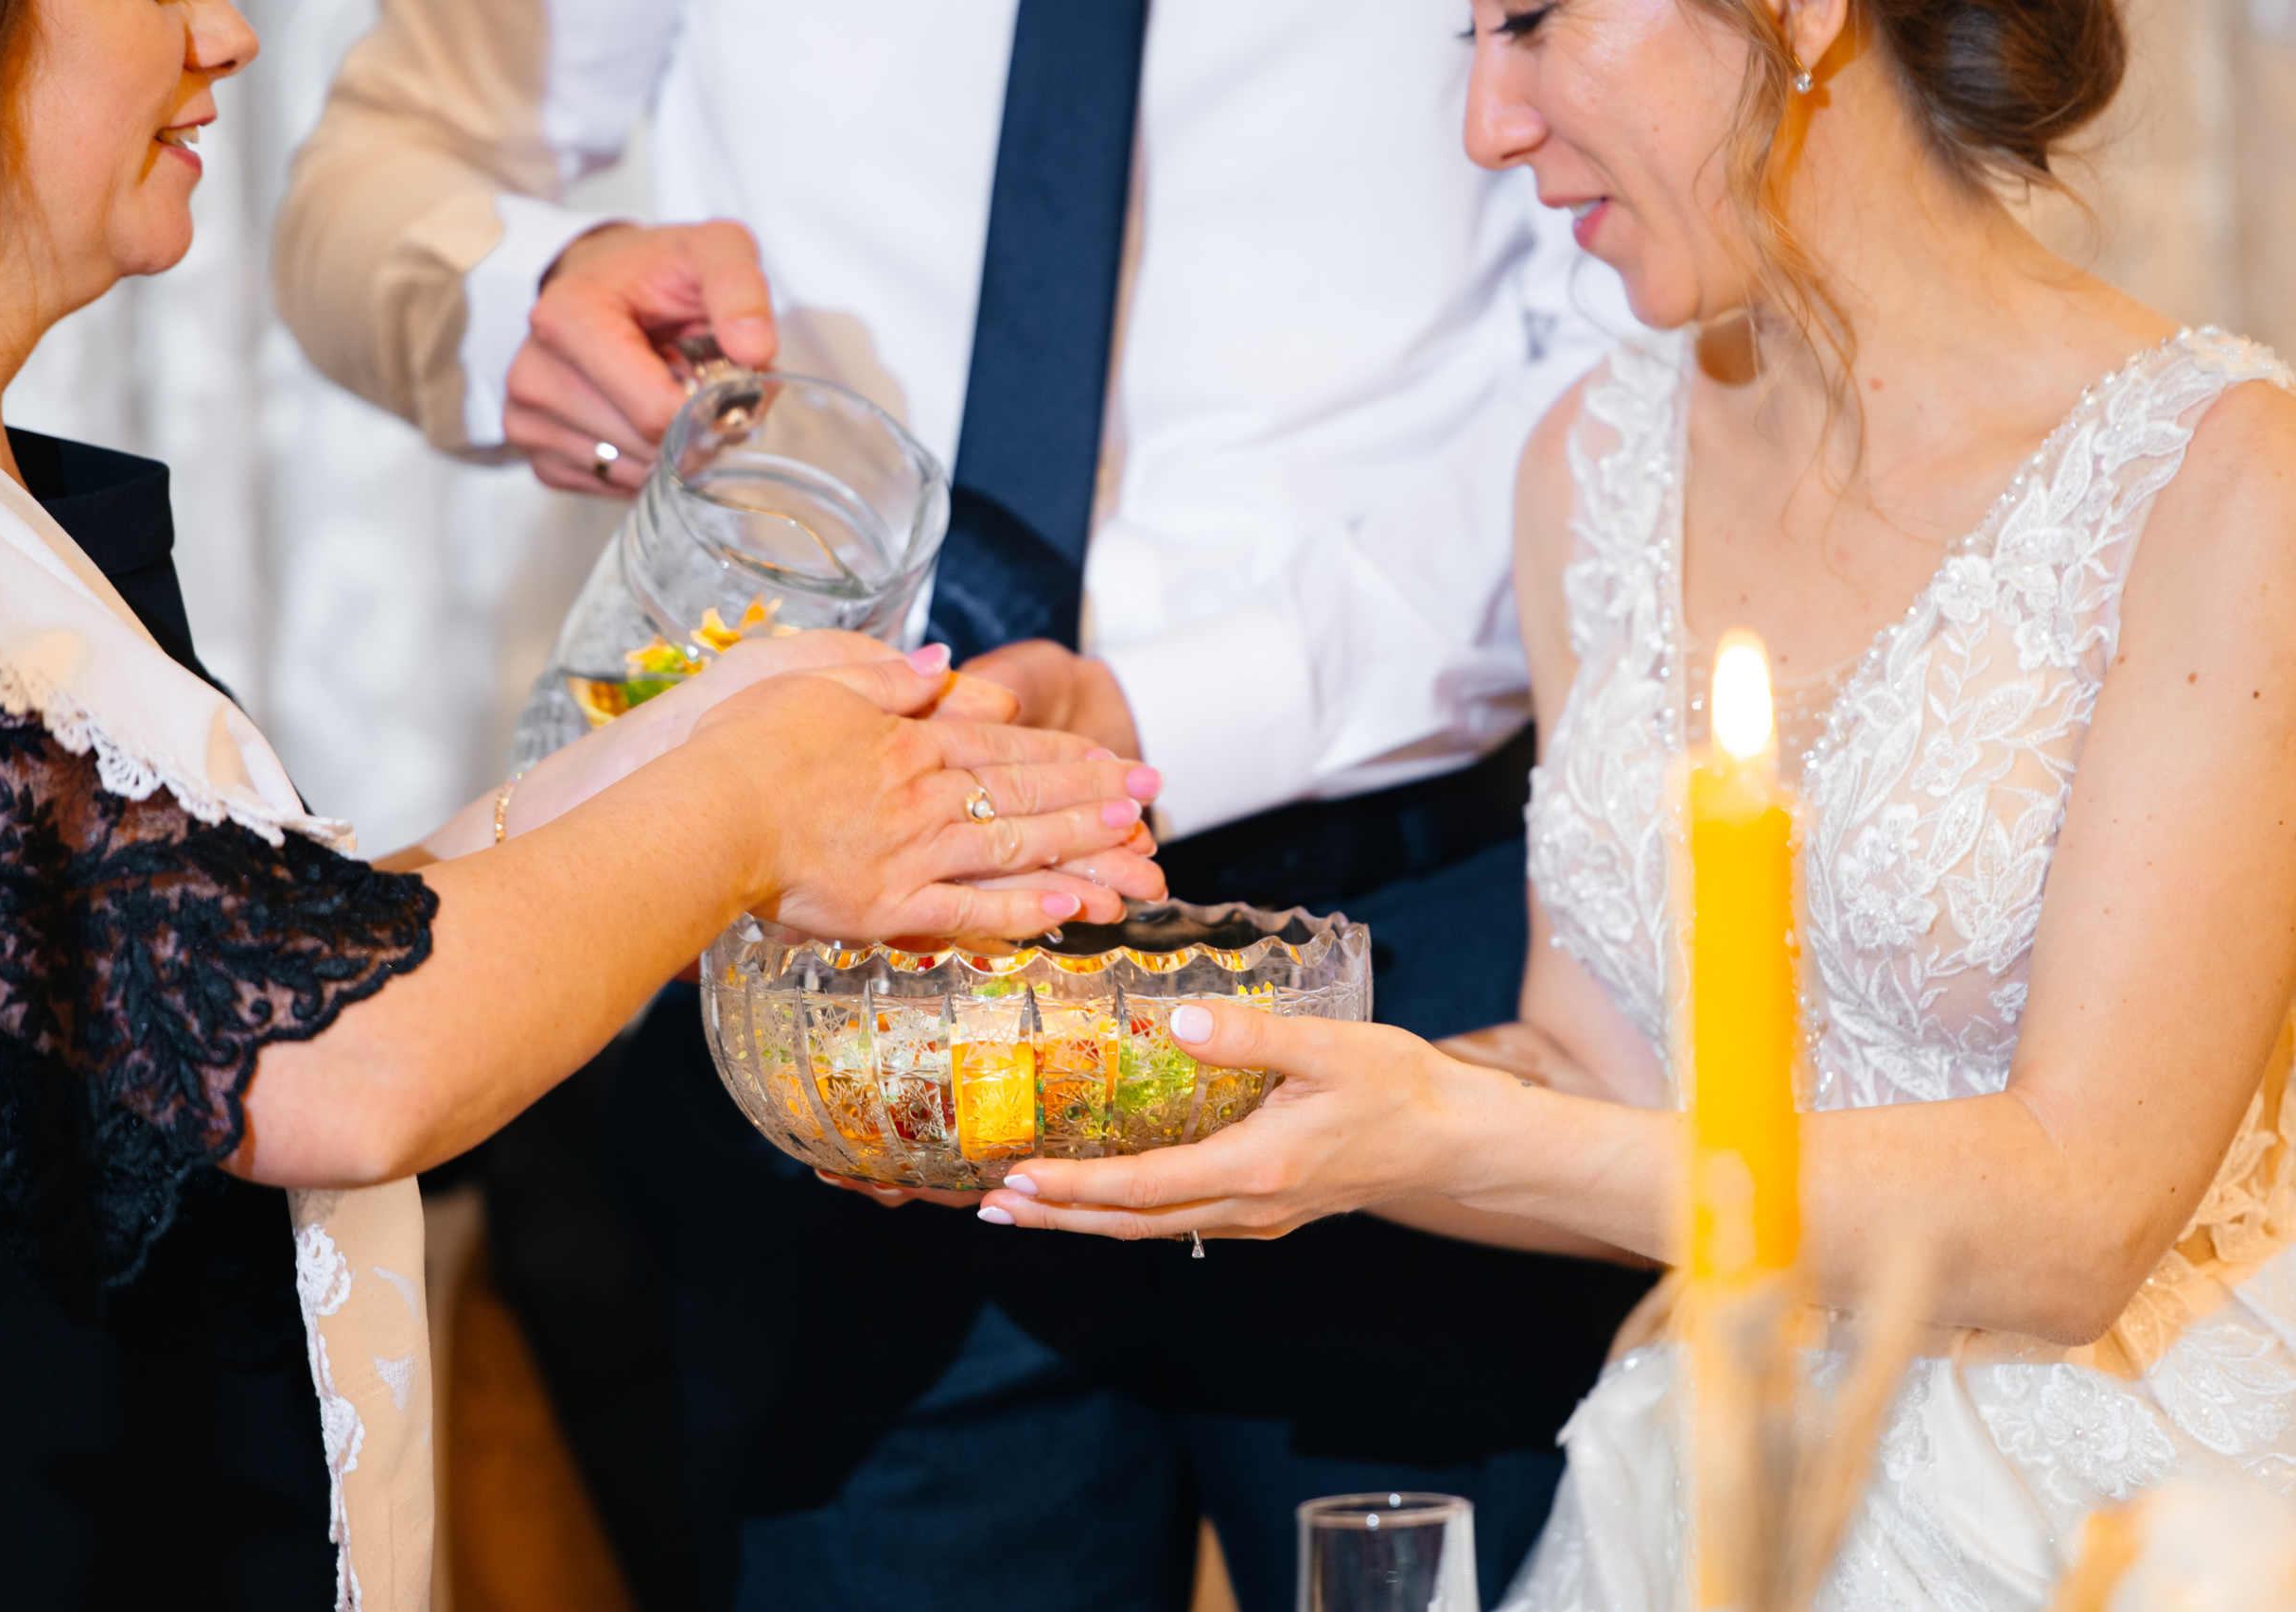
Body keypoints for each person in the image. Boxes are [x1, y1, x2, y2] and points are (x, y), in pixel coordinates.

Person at [273, 3, 1663, 1606]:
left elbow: (1627, 353)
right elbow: (376, 169)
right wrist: (533, 291)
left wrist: (1164, 717)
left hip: (1405, 960)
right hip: (856, 998)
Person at [976, 0, 2296, 1603]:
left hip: (2116, 1510)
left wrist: (1456, 1131)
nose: (1490, 126)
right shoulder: (1591, 462)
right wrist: (1182, 1087)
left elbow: (2080, 1219)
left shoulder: (2225, 482)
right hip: (1703, 1476)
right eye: (1469, 43)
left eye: (1533, 22)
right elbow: (1600, 1077)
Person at [0, 2, 1164, 1606]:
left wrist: (714, 738)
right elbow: (324, 1057)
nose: (226, 33)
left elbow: (256, 960)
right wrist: (755, 805)